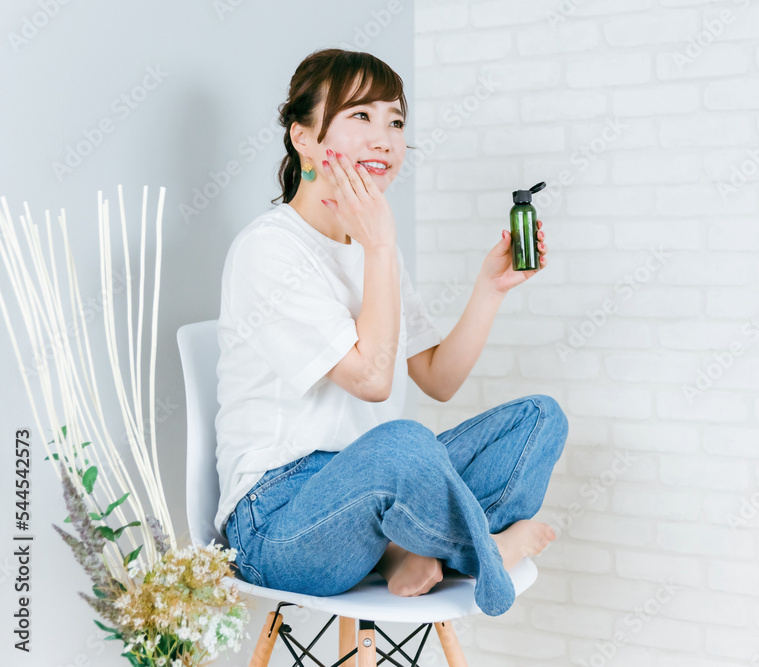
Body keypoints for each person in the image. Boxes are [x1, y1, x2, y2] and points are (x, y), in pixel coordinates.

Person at [214, 48, 568, 617]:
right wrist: (378, 244)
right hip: (276, 522)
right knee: (403, 444)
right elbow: (373, 382)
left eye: (396, 122)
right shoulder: (269, 249)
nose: (385, 139)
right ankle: (479, 551)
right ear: (303, 137)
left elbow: (438, 379)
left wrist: (490, 289)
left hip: (371, 493)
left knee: (538, 420)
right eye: (361, 116)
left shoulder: (375, 249)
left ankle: (409, 550)